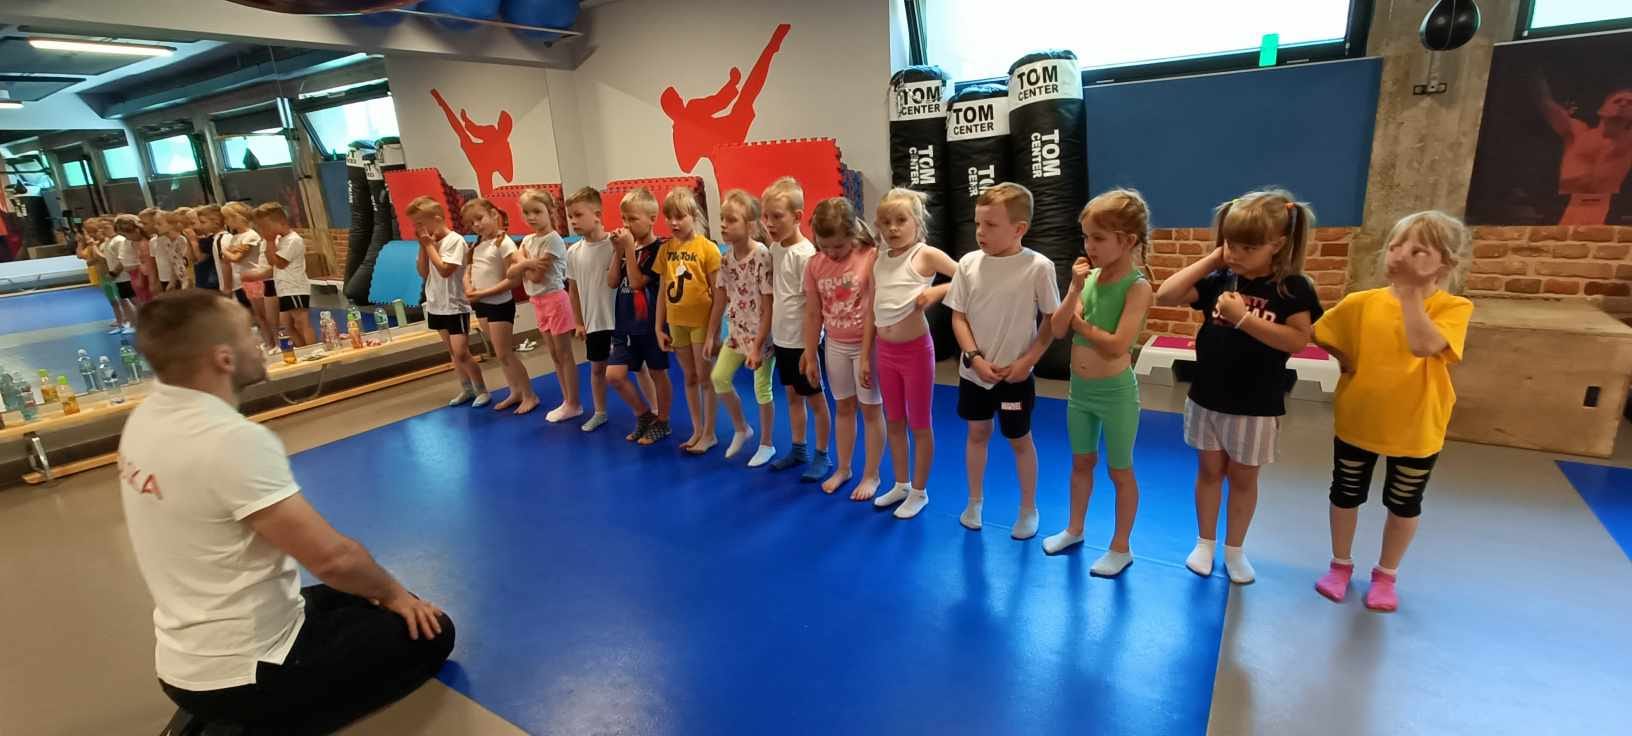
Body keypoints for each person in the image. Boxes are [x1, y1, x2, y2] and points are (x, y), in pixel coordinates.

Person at [121, 290, 453, 734]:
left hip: (184, 663)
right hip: (245, 672)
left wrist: (388, 593)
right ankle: (252, 725)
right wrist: (394, 595)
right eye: (249, 333)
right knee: (433, 631)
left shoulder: (146, 417)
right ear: (224, 358)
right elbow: (333, 558)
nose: (260, 341)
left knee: (365, 596)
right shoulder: (227, 440)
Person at [1154, 189, 1323, 584]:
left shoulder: (1292, 287)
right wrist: (1214, 258)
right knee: (1209, 471)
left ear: (1277, 244)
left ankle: (1235, 549)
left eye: (1249, 247)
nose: (1238, 253)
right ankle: (1205, 542)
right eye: (1232, 243)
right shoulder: (1220, 278)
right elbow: (1166, 294)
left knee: (1244, 479)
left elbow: (1298, 340)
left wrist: (1244, 319)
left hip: (1255, 404)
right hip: (1207, 398)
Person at [1311, 211, 1473, 612]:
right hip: (1360, 419)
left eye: (1418, 251)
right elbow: (1320, 331)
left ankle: (1386, 574)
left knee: (1404, 502)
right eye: (1396, 246)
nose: (1401, 255)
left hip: (1416, 426)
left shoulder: (1453, 307)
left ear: (1445, 264)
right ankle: (1340, 564)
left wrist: (1412, 292)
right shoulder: (1361, 303)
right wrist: (1344, 358)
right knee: (1345, 493)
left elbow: (1423, 345)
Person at [1041, 190, 1155, 576]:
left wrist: (1083, 325)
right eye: (1086, 237)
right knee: (1081, 462)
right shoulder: (1087, 279)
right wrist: (1074, 288)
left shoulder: (1137, 286)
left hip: (1115, 394)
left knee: (1119, 470)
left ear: (1128, 241)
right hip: (1081, 393)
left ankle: (1121, 547)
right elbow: (1059, 328)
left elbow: (1119, 345)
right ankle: (1074, 529)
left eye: (1098, 238)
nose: (1089, 246)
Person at [946, 183, 1061, 541]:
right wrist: (974, 358)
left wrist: (1028, 361)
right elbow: (958, 316)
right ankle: (974, 501)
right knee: (977, 433)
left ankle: (1028, 508)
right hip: (975, 374)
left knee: (1019, 438)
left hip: (1015, 376)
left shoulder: (1038, 267)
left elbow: (1052, 321)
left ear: (1019, 229)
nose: (980, 232)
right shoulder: (968, 263)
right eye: (978, 223)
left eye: (991, 225)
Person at [869, 188, 957, 519]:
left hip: (915, 352)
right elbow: (873, 307)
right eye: (886, 222)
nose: (892, 228)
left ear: (917, 223)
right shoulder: (879, 260)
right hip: (885, 352)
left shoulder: (925, 255)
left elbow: (971, 277)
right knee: (894, 420)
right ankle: (902, 483)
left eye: (901, 220)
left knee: (919, 423)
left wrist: (937, 291)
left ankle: (919, 491)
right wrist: (865, 355)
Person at [804, 198, 885, 499]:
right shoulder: (815, 264)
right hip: (835, 344)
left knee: (871, 409)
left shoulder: (870, 256)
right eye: (824, 246)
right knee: (844, 407)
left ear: (852, 234)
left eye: (838, 246)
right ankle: (844, 467)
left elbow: (875, 308)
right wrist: (810, 354)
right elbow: (813, 313)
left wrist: (865, 355)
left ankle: (872, 474)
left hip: (867, 345)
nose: (831, 253)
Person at [762, 177, 833, 479]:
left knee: (816, 400)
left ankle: (823, 454)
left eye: (777, 216)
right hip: (783, 339)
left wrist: (811, 349)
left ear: (797, 217)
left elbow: (816, 307)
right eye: (766, 216)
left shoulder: (806, 255)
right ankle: (799, 447)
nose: (770, 223)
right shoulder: (776, 248)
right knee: (792, 396)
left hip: (804, 343)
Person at [705, 189, 777, 464]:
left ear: (750, 226)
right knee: (719, 377)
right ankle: (741, 428)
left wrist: (758, 347)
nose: (723, 225)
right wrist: (711, 334)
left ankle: (767, 443)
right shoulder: (725, 259)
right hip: (737, 333)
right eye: (722, 219)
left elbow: (768, 306)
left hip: (761, 335)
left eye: (731, 220)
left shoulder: (762, 256)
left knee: (762, 389)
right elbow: (720, 298)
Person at [654, 187, 723, 454]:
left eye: (680, 217)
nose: (674, 223)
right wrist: (658, 326)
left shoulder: (708, 249)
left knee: (705, 377)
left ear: (693, 216)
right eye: (669, 217)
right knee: (690, 376)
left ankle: (710, 432)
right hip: (676, 322)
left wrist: (713, 333)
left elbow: (719, 294)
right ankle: (697, 428)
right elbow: (663, 290)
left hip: (701, 323)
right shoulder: (666, 249)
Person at [452, 198, 532, 415]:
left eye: (479, 218)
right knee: (499, 353)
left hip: (499, 304)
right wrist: (468, 287)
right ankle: (515, 391)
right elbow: (468, 271)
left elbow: (513, 280)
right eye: (471, 223)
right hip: (482, 305)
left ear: (494, 214)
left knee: (506, 353)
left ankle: (529, 395)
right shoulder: (477, 244)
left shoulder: (503, 243)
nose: (476, 225)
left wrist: (482, 293)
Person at [607, 188, 673, 444]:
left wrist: (628, 250)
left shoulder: (659, 249)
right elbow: (613, 281)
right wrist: (618, 251)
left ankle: (663, 421)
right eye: (624, 219)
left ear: (652, 219)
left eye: (633, 219)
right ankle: (644, 414)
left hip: (649, 324)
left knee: (657, 373)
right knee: (614, 375)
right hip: (625, 324)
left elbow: (636, 282)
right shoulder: (627, 247)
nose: (626, 225)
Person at [409, 196, 489, 408]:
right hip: (436, 304)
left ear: (436, 219)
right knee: (453, 353)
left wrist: (429, 246)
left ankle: (481, 389)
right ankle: (467, 388)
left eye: (421, 223)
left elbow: (445, 270)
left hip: (455, 304)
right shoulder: (429, 243)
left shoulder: (455, 241)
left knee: (462, 351)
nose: (418, 228)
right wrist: (423, 246)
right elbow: (424, 272)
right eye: (415, 225)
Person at [507, 189, 574, 420]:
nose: (532, 217)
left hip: (555, 299)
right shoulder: (527, 240)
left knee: (564, 354)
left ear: (550, 211)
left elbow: (535, 277)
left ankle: (573, 402)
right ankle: (566, 400)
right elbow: (512, 272)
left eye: (537, 211)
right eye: (527, 213)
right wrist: (526, 263)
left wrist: (522, 262)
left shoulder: (553, 240)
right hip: (538, 301)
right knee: (554, 354)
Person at [1534, 77, 1632, 225]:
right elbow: (1545, 102)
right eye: (1617, 101)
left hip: (1608, 208)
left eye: (1630, 103)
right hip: (1563, 205)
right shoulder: (1577, 132)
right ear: (1601, 110)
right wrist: (1533, 71)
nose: (1623, 104)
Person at [563, 187, 619, 432]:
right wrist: (578, 322)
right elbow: (573, 291)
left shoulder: (614, 244)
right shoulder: (573, 252)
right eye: (570, 216)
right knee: (597, 369)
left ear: (597, 214)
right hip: (594, 321)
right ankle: (600, 412)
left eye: (578, 215)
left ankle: (655, 410)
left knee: (638, 368)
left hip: (618, 320)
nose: (573, 221)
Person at [252, 203, 315, 348]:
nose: (263, 231)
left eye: (265, 227)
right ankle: (303, 350)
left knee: (301, 322)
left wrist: (269, 241)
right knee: (286, 325)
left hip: (295, 287)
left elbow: (280, 263)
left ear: (281, 222)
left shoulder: (293, 240)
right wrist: (269, 242)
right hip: (284, 288)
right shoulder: (281, 240)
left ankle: (313, 349)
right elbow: (270, 261)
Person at [219, 202, 278, 351]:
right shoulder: (235, 237)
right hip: (246, 279)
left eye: (227, 218)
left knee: (266, 314)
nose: (226, 222)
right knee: (258, 315)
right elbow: (227, 258)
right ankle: (268, 342)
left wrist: (226, 251)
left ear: (237, 217)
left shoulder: (251, 235)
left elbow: (236, 257)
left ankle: (277, 341)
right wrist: (228, 252)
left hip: (257, 277)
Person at [109, 214, 146, 328]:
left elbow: (141, 262)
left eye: (125, 234)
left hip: (137, 275)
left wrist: (140, 277)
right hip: (133, 275)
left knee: (141, 302)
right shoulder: (127, 242)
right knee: (139, 301)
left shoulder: (139, 243)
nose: (125, 237)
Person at [191, 204, 223, 293]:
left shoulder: (219, 239)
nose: (201, 226)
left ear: (216, 222)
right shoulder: (212, 238)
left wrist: (193, 241)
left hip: (216, 281)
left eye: (203, 222)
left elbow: (201, 258)